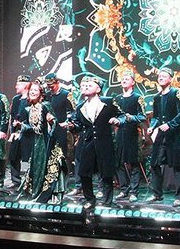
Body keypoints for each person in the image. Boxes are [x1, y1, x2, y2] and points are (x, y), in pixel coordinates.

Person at [66, 75, 122, 206]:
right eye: (84, 85)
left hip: (104, 142)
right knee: (84, 173)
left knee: (106, 173)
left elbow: (122, 115)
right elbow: (79, 125)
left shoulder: (108, 102)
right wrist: (73, 126)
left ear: (98, 89)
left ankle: (107, 201)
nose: (86, 87)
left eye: (89, 85)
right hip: (87, 143)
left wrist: (118, 120)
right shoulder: (80, 107)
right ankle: (90, 199)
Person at [17, 80, 66, 203]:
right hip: (36, 144)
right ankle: (34, 191)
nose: (32, 92)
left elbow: (53, 123)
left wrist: (51, 121)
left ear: (41, 93)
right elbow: (32, 127)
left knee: (47, 168)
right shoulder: (29, 109)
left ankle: (48, 194)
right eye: (31, 90)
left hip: (47, 143)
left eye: (35, 90)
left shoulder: (45, 105)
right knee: (35, 168)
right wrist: (21, 127)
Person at [147, 67, 180, 206]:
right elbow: (156, 116)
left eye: (164, 76)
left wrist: (170, 124)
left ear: (170, 79)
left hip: (174, 135)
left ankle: (179, 197)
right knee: (154, 164)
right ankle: (157, 194)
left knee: (177, 166)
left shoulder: (177, 93)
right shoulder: (157, 97)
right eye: (159, 76)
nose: (161, 78)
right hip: (161, 135)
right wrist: (152, 126)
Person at [114, 71, 147, 203]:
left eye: (127, 79)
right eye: (123, 79)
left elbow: (142, 116)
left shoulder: (137, 98)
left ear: (133, 82)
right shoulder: (117, 98)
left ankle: (134, 191)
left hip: (133, 133)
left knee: (133, 162)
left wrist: (131, 118)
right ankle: (123, 189)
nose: (124, 80)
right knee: (119, 162)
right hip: (120, 133)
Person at [6, 75, 32, 190]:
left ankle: (30, 181)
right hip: (16, 132)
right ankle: (15, 180)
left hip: (28, 132)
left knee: (29, 157)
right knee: (13, 156)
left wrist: (23, 124)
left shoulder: (31, 98)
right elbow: (12, 116)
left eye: (18, 84)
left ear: (25, 85)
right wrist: (12, 132)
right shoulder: (16, 99)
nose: (16, 86)